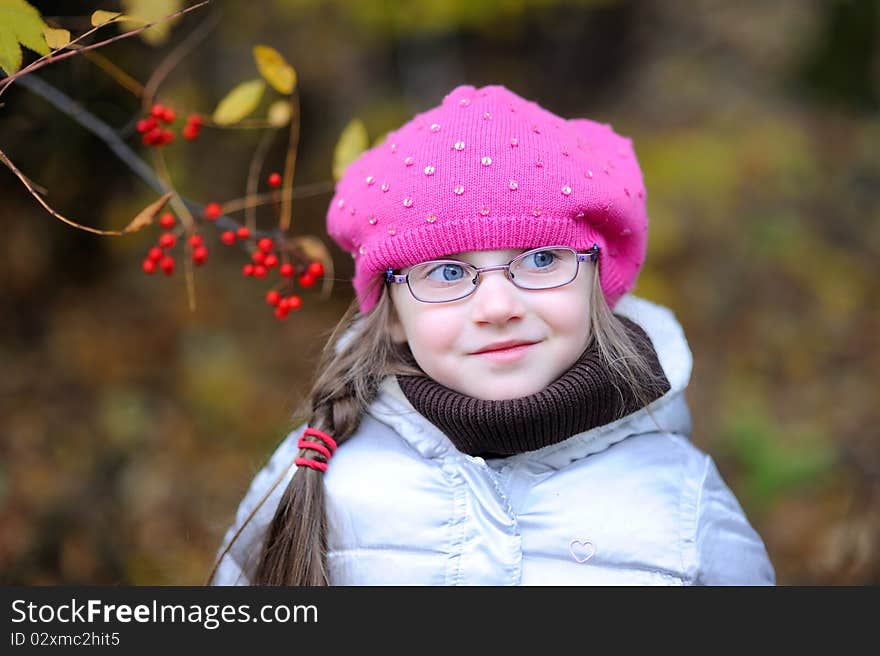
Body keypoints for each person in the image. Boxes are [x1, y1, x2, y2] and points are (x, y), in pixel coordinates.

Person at [207, 84, 775, 586]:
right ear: (394, 313)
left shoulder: (681, 501)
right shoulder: (316, 477)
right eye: (448, 272)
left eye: (542, 258)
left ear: (597, 284)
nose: (499, 307)